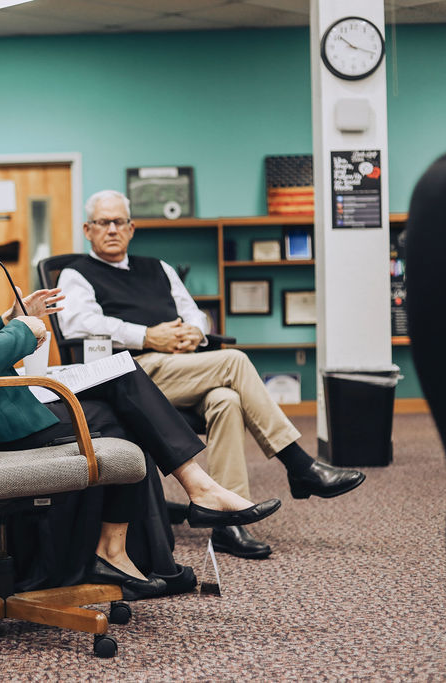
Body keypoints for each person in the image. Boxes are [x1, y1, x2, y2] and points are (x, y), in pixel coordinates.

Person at [0, 147, 281, 599]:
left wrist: (7, 321)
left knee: (117, 388)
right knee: (124, 404)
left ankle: (149, 527)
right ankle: (142, 532)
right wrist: (28, 330)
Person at [56, 189, 367, 559]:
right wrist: (146, 335)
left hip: (178, 368)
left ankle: (227, 522)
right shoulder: (75, 274)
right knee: (233, 360)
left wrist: (194, 333)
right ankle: (299, 465)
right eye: (102, 223)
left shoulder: (159, 267)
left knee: (226, 399)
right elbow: (77, 322)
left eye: (119, 222)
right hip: (129, 374)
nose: (111, 229)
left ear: (132, 227)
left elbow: (194, 313)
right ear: (87, 229)